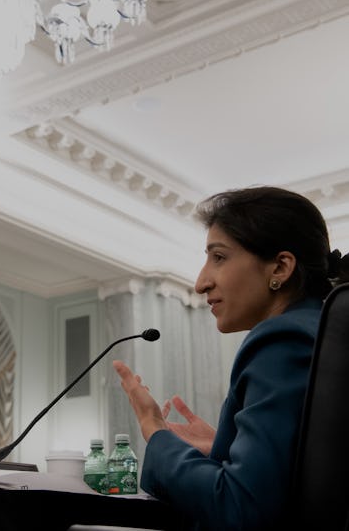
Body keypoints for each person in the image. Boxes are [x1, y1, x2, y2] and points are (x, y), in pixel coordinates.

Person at [112, 186, 349, 531]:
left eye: (218, 257)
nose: (200, 282)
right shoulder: (317, 331)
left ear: (280, 268)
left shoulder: (281, 340)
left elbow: (239, 507)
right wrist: (224, 447)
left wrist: (156, 432)